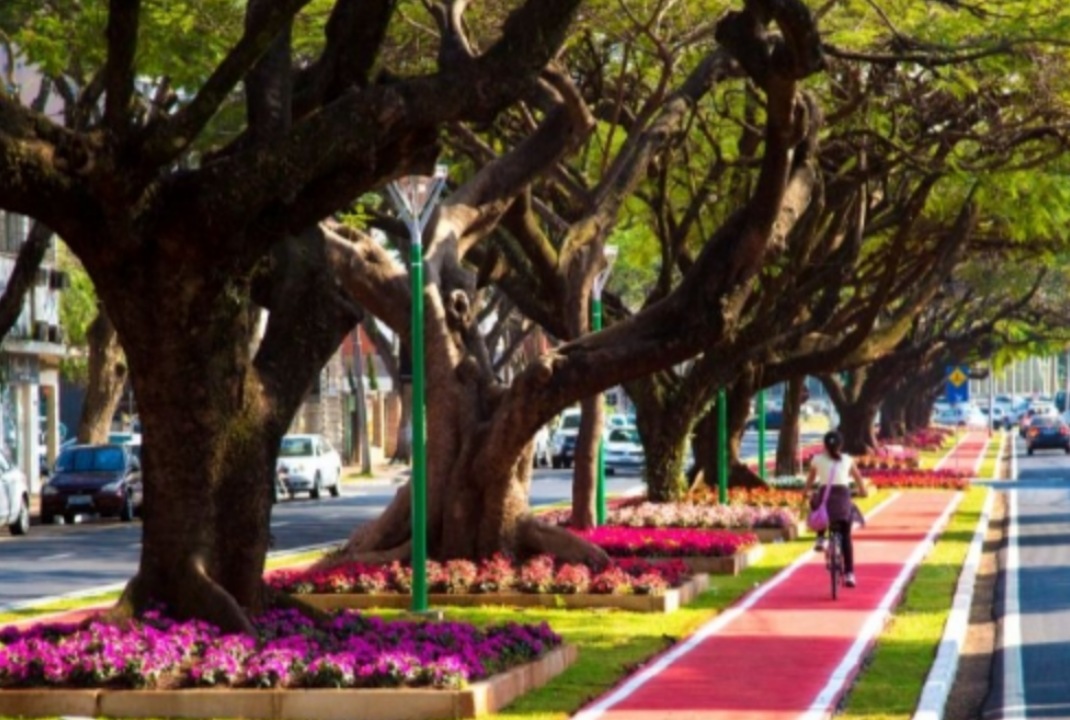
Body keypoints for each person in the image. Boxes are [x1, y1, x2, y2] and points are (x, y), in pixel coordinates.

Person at [805, 430, 869, 588]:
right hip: (842, 500)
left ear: (825, 444)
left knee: (816, 501)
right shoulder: (847, 459)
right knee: (846, 536)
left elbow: (810, 480)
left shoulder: (817, 460)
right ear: (841, 445)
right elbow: (859, 480)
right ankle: (849, 574)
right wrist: (863, 492)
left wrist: (806, 491)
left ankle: (820, 537)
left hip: (825, 500)